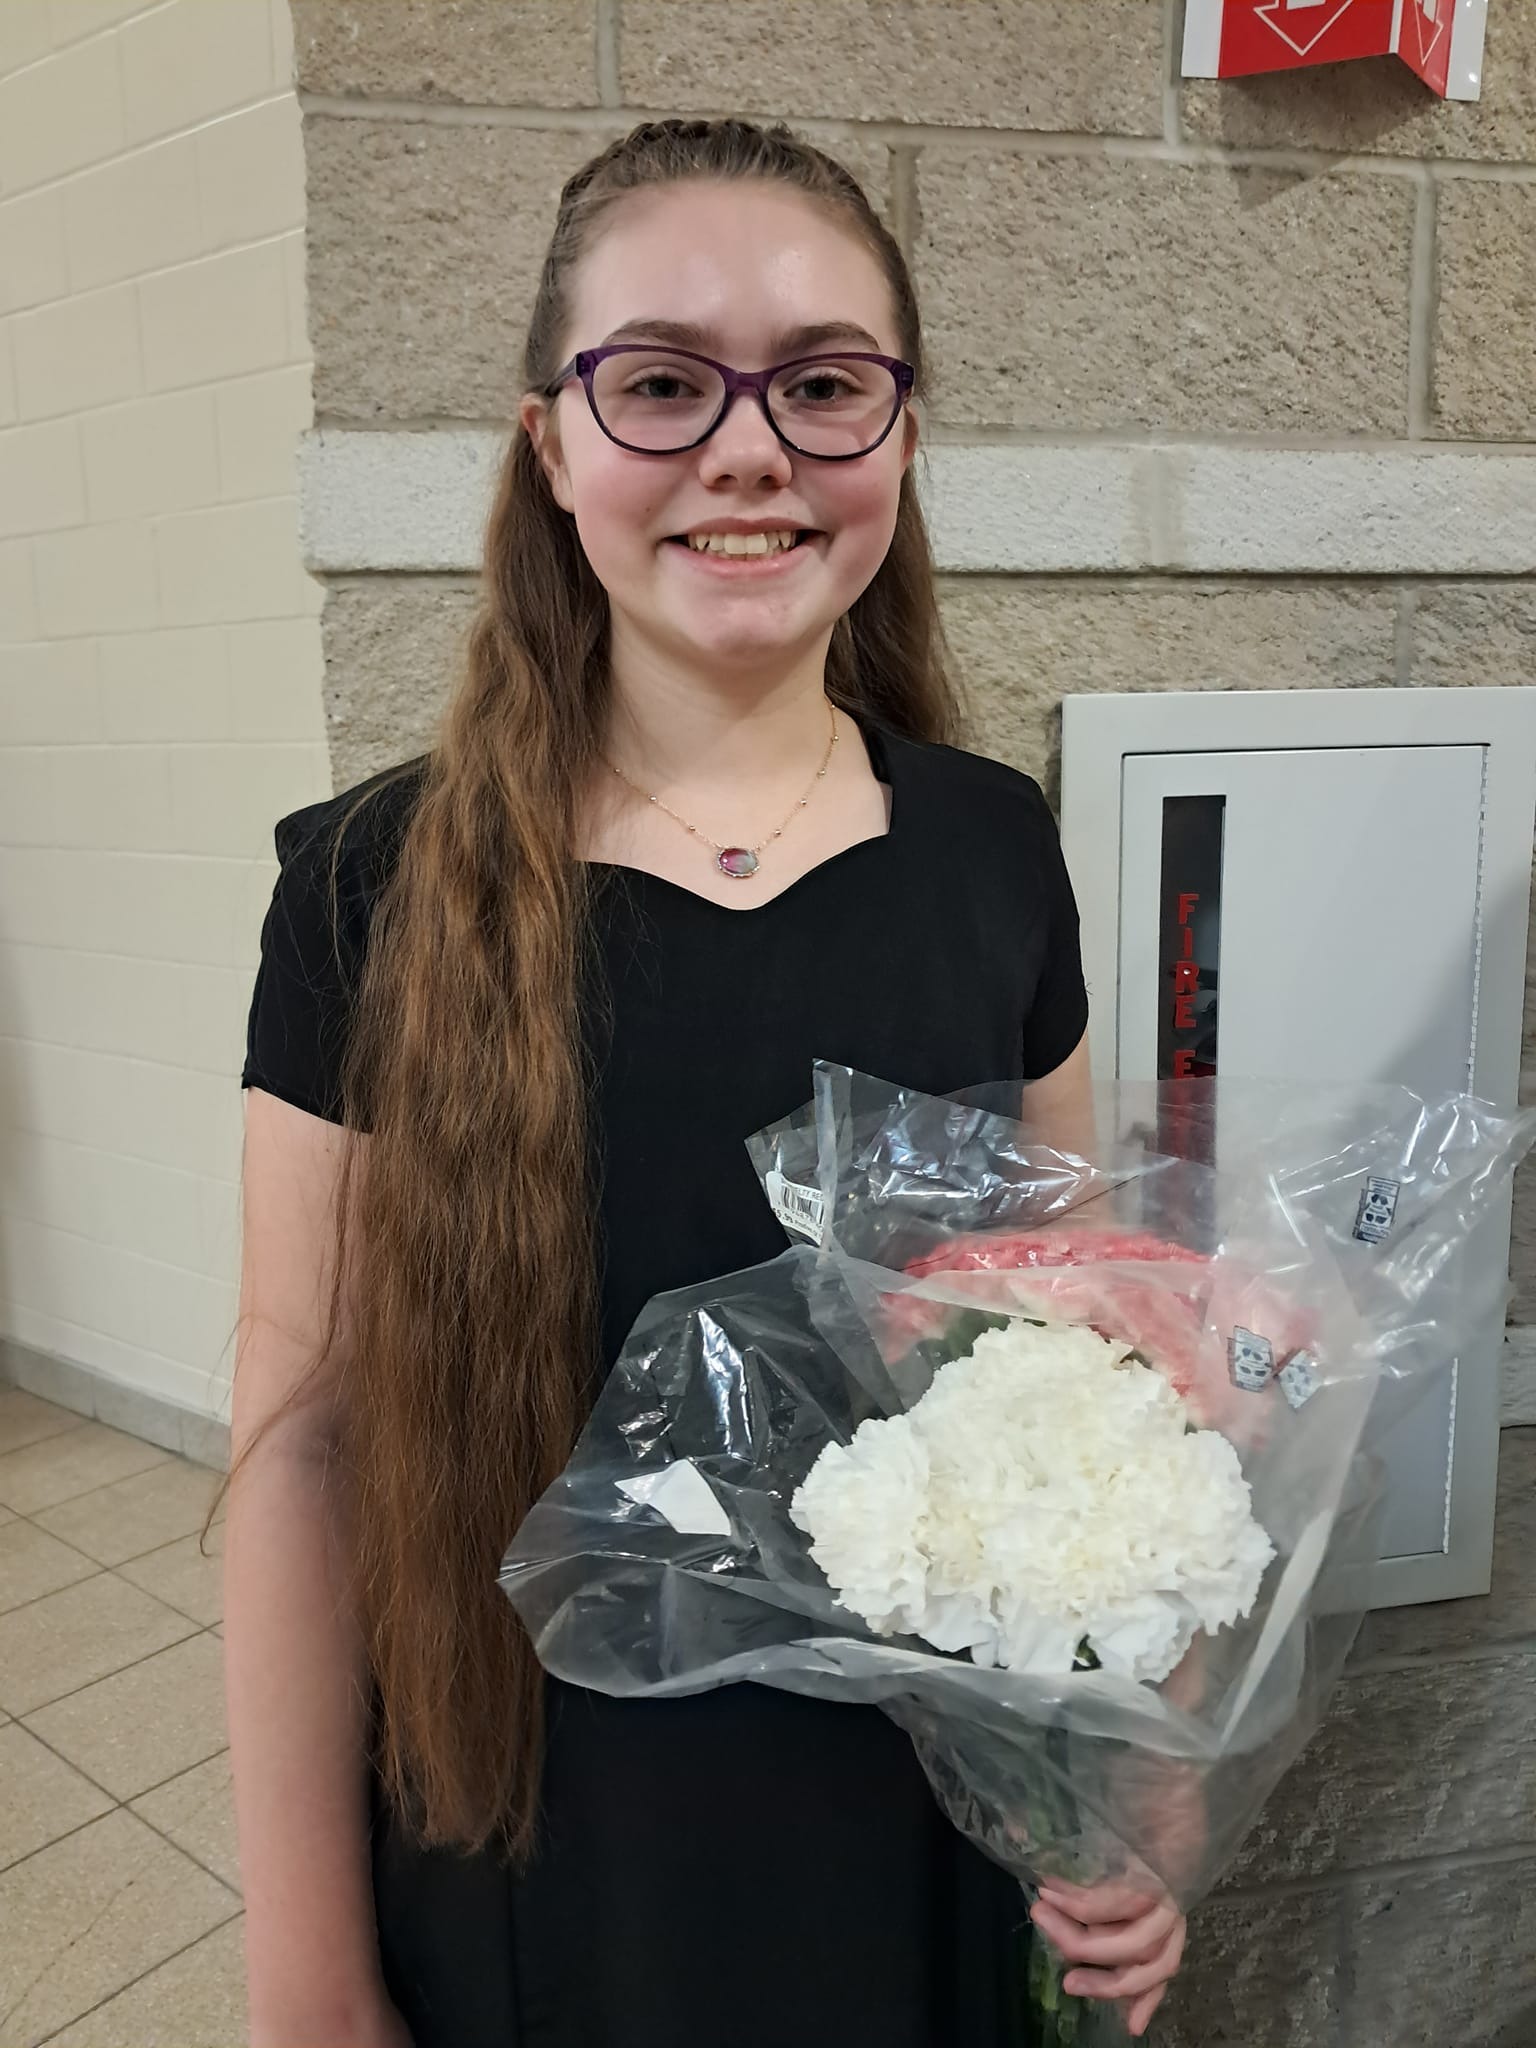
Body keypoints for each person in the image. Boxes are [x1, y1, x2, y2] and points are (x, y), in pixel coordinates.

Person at [223, 116, 1187, 2048]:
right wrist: (308, 1980)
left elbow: (1094, 1385)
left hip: (928, 1827)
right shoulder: (367, 887)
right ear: (550, 445)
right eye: (662, 385)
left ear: (898, 438)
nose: (749, 449)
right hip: (538, 1851)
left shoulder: (993, 851)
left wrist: (1130, 1804)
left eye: (823, 385)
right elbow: (302, 1449)